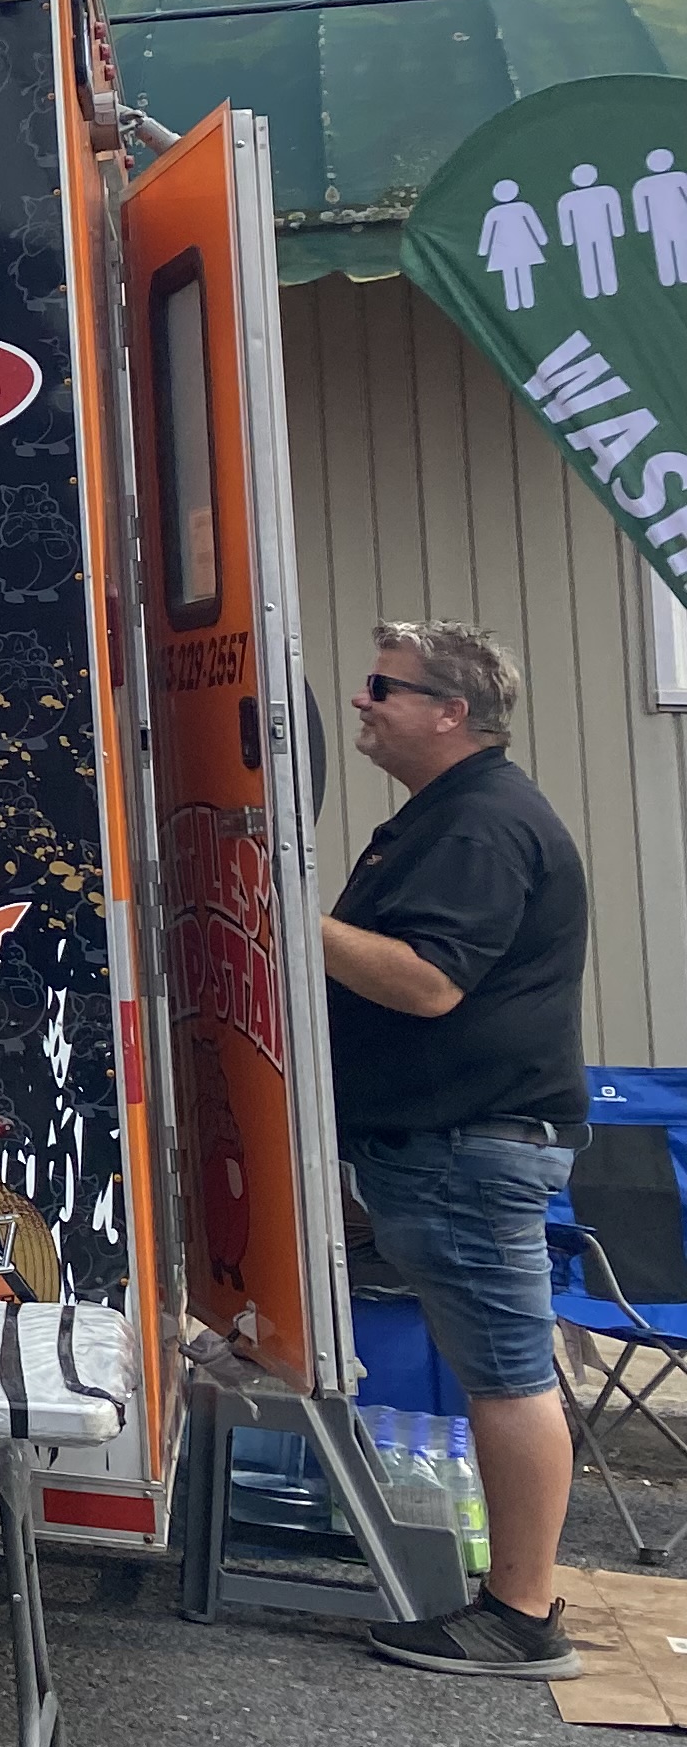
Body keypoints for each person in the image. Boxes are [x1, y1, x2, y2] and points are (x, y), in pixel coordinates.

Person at [320, 621, 590, 1677]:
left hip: (469, 1143)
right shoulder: (444, 817)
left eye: (385, 687)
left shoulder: (479, 825)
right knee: (503, 1369)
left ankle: (521, 1615)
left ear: (452, 712)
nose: (362, 701)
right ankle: (516, 1602)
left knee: (509, 1375)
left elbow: (429, 981)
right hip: (444, 1142)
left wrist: (286, 911)